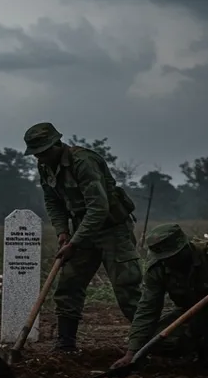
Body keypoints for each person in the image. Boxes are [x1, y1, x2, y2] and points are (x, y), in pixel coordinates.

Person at [23, 122, 142, 352]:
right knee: (68, 285)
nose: (40, 158)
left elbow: (98, 208)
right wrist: (62, 231)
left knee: (127, 289)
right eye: (36, 154)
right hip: (81, 230)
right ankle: (65, 344)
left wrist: (75, 242)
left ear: (57, 144)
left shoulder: (83, 162)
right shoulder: (45, 166)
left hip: (112, 229)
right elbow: (52, 201)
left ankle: (153, 341)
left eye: (44, 152)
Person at [112, 224, 208, 378]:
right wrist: (132, 353)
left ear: (185, 247)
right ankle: (203, 347)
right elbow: (147, 309)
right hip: (192, 314)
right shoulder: (158, 269)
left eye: (172, 256)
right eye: (164, 258)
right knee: (152, 341)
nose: (169, 261)